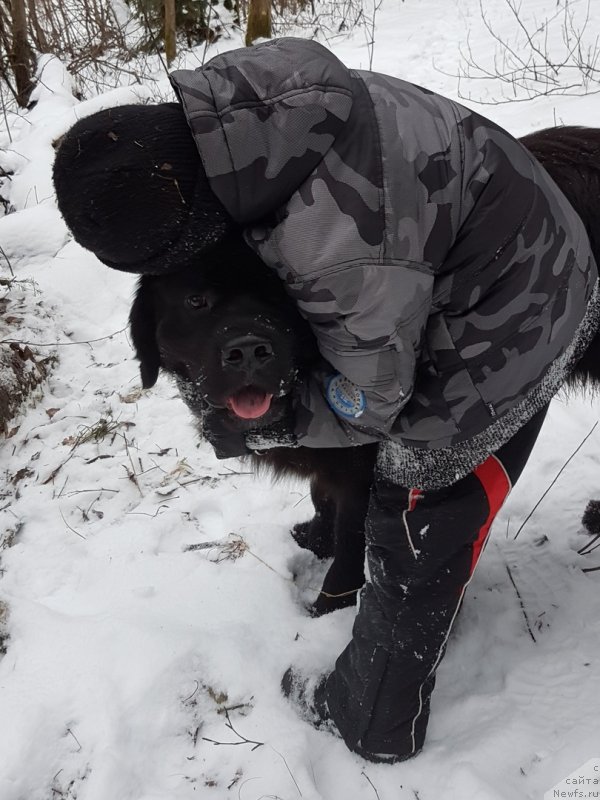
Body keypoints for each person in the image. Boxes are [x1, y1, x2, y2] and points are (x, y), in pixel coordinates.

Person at [52, 37, 600, 763]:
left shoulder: (337, 243)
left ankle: (374, 714)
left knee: (417, 486)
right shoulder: (248, 119)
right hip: (493, 231)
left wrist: (261, 428)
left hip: (521, 302)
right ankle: (339, 536)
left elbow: (370, 405)